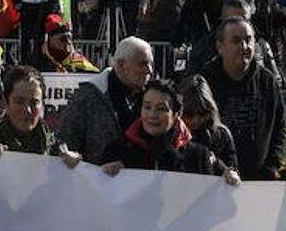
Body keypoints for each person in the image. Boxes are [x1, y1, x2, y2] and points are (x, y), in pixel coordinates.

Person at [100, 79, 241, 184]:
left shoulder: (199, 156)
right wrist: (101, 173)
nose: (152, 115)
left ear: (177, 114)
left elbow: (229, 186)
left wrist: (229, 178)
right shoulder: (118, 150)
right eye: (147, 107)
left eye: (161, 109)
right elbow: (94, 191)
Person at [201, 17, 286, 180]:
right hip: (215, 180)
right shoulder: (205, 81)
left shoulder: (267, 81)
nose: (244, 46)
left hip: (259, 181)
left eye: (248, 40)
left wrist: (272, 165)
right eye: (236, 41)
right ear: (220, 46)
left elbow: (280, 126)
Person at [56, 36, 155, 164]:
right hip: (95, 180)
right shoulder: (87, 97)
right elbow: (65, 140)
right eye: (142, 64)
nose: (149, 70)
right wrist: (68, 155)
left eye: (150, 64)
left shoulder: (151, 97)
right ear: (120, 64)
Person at [0, 65, 81, 166]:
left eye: (34, 102)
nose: (28, 110)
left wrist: (75, 164)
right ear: (6, 104)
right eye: (19, 102)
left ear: (43, 105)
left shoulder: (58, 151)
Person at [178, 74, 239, 170]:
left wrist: (216, 163)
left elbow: (233, 172)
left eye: (203, 113)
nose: (196, 119)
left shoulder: (221, 135)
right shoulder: (172, 135)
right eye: (189, 113)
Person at [31, 13, 100, 74]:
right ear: (49, 40)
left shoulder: (80, 64)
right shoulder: (36, 65)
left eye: (69, 38)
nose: (68, 42)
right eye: (63, 38)